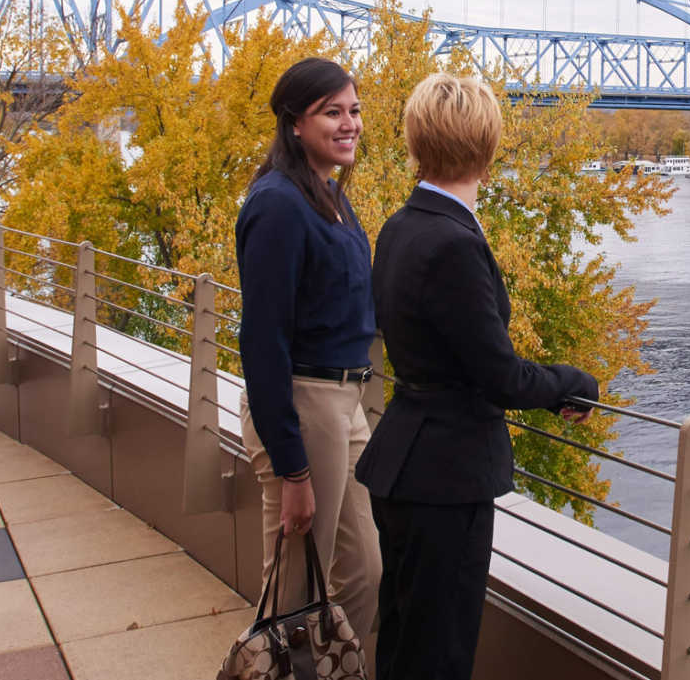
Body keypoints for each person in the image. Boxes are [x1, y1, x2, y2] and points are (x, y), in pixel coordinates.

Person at [355, 72, 598, 680]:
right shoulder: (454, 241)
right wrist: (572, 383)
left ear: (416, 143)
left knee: (404, 637)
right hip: (446, 475)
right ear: (488, 150)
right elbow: (498, 375)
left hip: (403, 460)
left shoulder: (399, 225)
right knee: (440, 652)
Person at [236, 56, 381, 667]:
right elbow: (262, 340)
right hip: (305, 403)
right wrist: (293, 471)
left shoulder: (328, 196)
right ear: (295, 122)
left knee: (368, 569)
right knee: (294, 591)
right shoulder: (278, 204)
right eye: (332, 113)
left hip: (346, 403)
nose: (348, 124)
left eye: (353, 111)